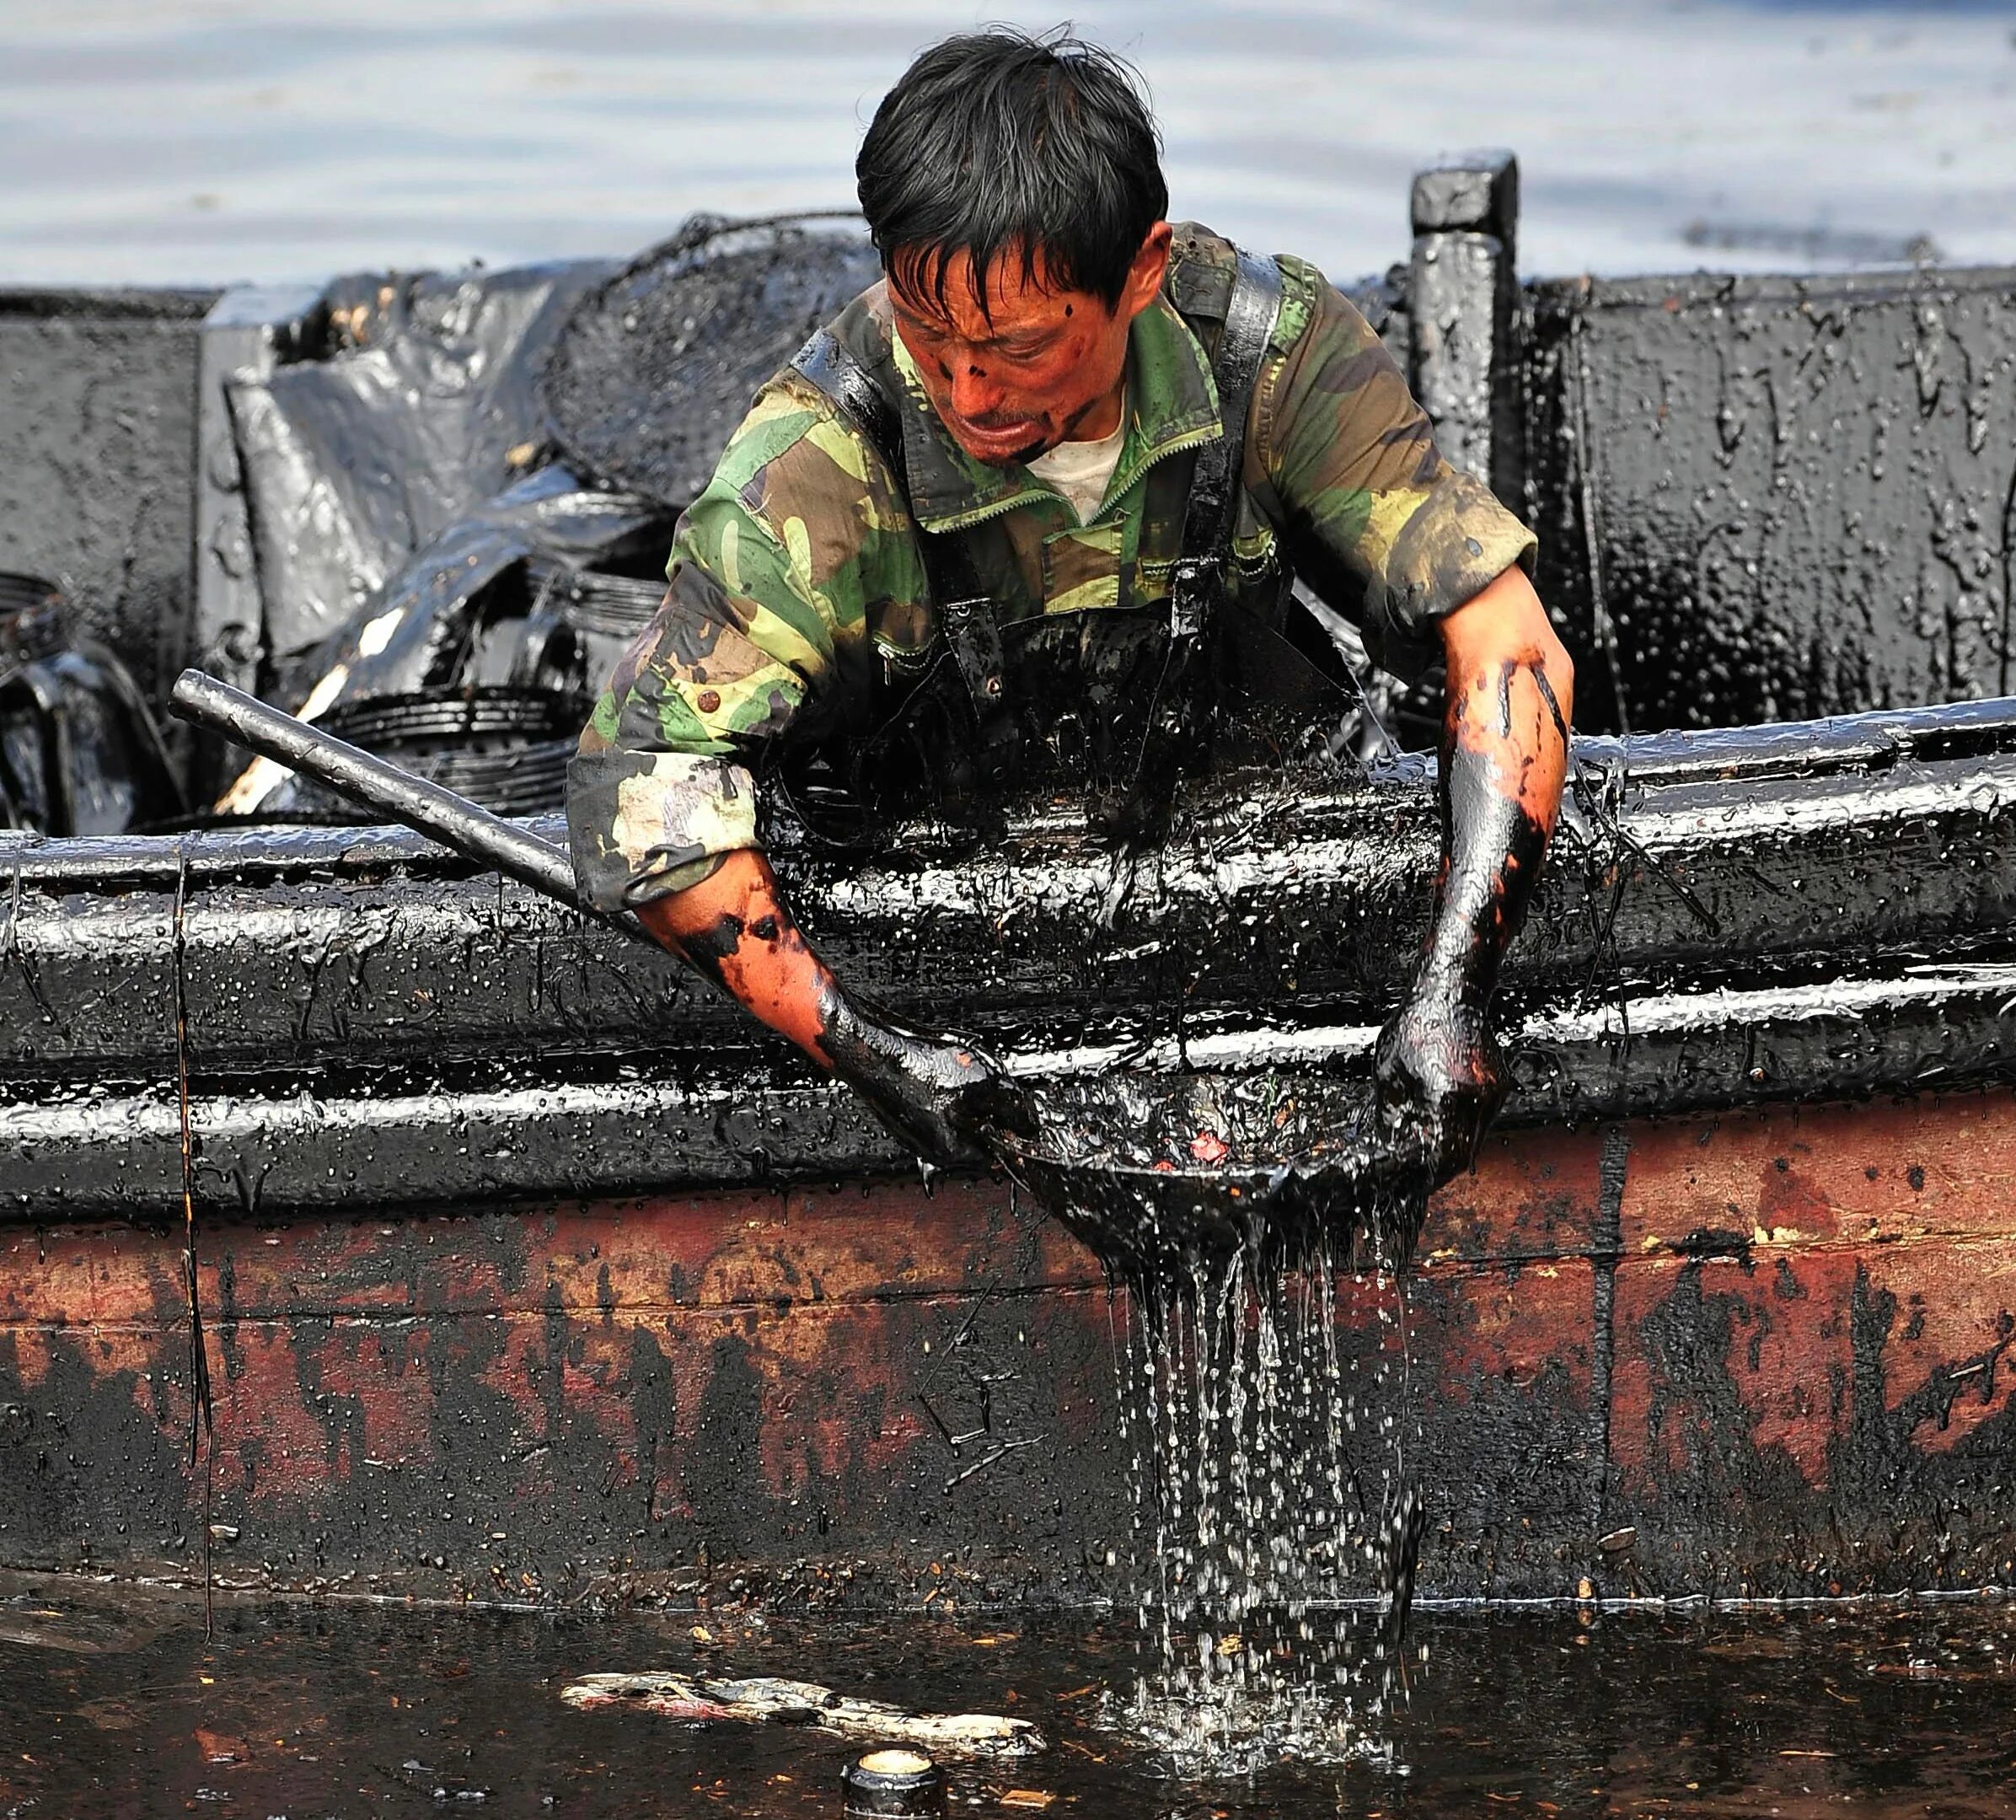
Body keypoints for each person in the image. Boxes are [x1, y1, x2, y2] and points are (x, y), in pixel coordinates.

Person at [566, 29, 1574, 1183]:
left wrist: (1451, 995)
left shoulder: (1272, 360)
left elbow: (1506, 638)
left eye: (1018, 347)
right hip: (940, 928)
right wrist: (866, 1052)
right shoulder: (817, 464)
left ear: (1140, 273)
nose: (969, 391)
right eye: (927, 336)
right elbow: (644, 785)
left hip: (1257, 875)